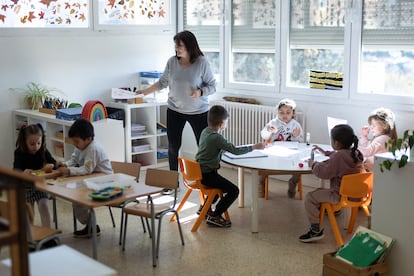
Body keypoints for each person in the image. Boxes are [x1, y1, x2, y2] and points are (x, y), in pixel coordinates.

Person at [136, 30, 216, 194]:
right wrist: (144, 92)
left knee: (204, 149)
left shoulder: (202, 63)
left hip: (198, 111)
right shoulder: (172, 62)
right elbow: (162, 83)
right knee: (173, 147)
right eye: (176, 46)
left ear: (189, 46)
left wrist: (200, 92)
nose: (177, 49)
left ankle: (207, 182)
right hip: (174, 110)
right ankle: (172, 183)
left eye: (180, 46)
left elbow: (213, 86)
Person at [196, 105, 264, 227]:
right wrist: (254, 147)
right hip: (208, 175)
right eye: (226, 121)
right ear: (222, 123)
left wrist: (222, 150)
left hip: (199, 172)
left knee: (220, 188)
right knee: (234, 190)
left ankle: (204, 209)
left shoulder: (205, 131)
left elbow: (210, 149)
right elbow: (235, 151)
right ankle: (215, 215)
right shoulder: (217, 137)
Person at [299, 124, 364, 243]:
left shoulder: (339, 156)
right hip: (356, 194)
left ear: (337, 143)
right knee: (319, 192)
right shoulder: (356, 153)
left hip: (339, 195)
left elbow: (324, 173)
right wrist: (325, 152)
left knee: (310, 197)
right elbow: (340, 156)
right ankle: (335, 210)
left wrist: (313, 164)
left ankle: (315, 230)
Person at [57, 118, 113, 238]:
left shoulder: (93, 148)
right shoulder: (80, 146)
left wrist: (68, 170)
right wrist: (65, 164)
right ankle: (90, 225)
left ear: (89, 139)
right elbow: (74, 160)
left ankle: (91, 226)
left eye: (77, 142)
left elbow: (87, 169)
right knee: (76, 198)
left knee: (78, 199)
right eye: (74, 142)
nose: (75, 145)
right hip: (92, 179)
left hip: (104, 182)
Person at [13, 123, 63, 228]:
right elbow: (16, 171)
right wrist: (22, 173)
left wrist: (56, 164)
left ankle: (47, 234)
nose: (36, 146)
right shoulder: (19, 152)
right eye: (32, 144)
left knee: (43, 205)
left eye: (38, 143)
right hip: (26, 186)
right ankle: (30, 236)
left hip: (41, 185)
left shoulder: (42, 150)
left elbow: (53, 163)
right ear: (24, 141)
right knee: (29, 211)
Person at [259, 98, 304, 198]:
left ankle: (292, 184)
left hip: (290, 153)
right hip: (274, 152)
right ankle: (261, 184)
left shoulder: (296, 125)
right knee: (262, 165)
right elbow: (264, 136)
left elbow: (301, 142)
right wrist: (268, 130)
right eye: (281, 112)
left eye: (288, 112)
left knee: (299, 168)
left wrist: (296, 136)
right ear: (277, 113)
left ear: (293, 113)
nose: (284, 115)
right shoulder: (274, 122)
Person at [358, 107, 397, 172]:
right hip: (371, 169)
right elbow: (368, 148)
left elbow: (368, 151)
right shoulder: (382, 138)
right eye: (371, 125)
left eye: (374, 126)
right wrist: (364, 136)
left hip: (373, 172)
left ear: (385, 126)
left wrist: (353, 147)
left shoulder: (383, 139)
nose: (371, 128)